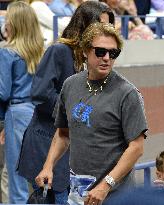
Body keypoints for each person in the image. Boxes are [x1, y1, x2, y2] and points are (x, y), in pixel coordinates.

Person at [35, 22, 148, 205]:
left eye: (113, 53)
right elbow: (63, 133)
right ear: (85, 51)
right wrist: (48, 166)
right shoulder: (70, 85)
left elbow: (136, 147)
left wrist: (106, 185)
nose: (106, 58)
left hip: (115, 195)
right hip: (78, 193)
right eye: (100, 51)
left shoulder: (127, 93)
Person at [17, 1, 115, 204]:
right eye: (102, 26)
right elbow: (40, 94)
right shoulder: (60, 51)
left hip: (73, 152)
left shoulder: (95, 58)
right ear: (86, 24)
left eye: (109, 27)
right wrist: (76, 111)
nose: (106, 32)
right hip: (46, 145)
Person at [0, 1, 44, 203]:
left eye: (7, 19)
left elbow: (2, 92)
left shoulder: (7, 52)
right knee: (40, 176)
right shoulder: (41, 51)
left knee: (17, 179)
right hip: (39, 114)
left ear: (14, 24)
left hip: (17, 114)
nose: (5, 23)